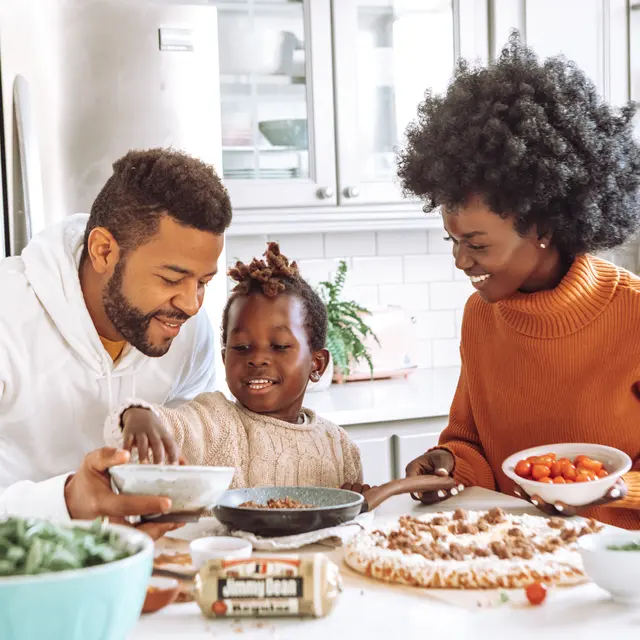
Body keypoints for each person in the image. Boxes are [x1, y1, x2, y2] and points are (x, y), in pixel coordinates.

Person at [400, 35, 640, 529]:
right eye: (452, 240)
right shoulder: (481, 315)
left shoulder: (633, 316)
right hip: (514, 556)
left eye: (477, 243)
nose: (461, 261)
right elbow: (471, 445)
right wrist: (447, 464)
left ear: (544, 228)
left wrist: (607, 488)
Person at [0, 148, 232, 535]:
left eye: (203, 282)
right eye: (172, 279)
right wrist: (65, 502)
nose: (191, 305)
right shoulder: (8, 316)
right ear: (103, 250)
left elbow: (191, 444)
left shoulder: (188, 331)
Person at [105, 243, 363, 489]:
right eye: (241, 347)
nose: (257, 359)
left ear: (317, 364)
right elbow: (166, 426)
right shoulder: (214, 421)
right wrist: (136, 415)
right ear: (225, 357)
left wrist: (359, 507)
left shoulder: (340, 447)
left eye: (280, 346)